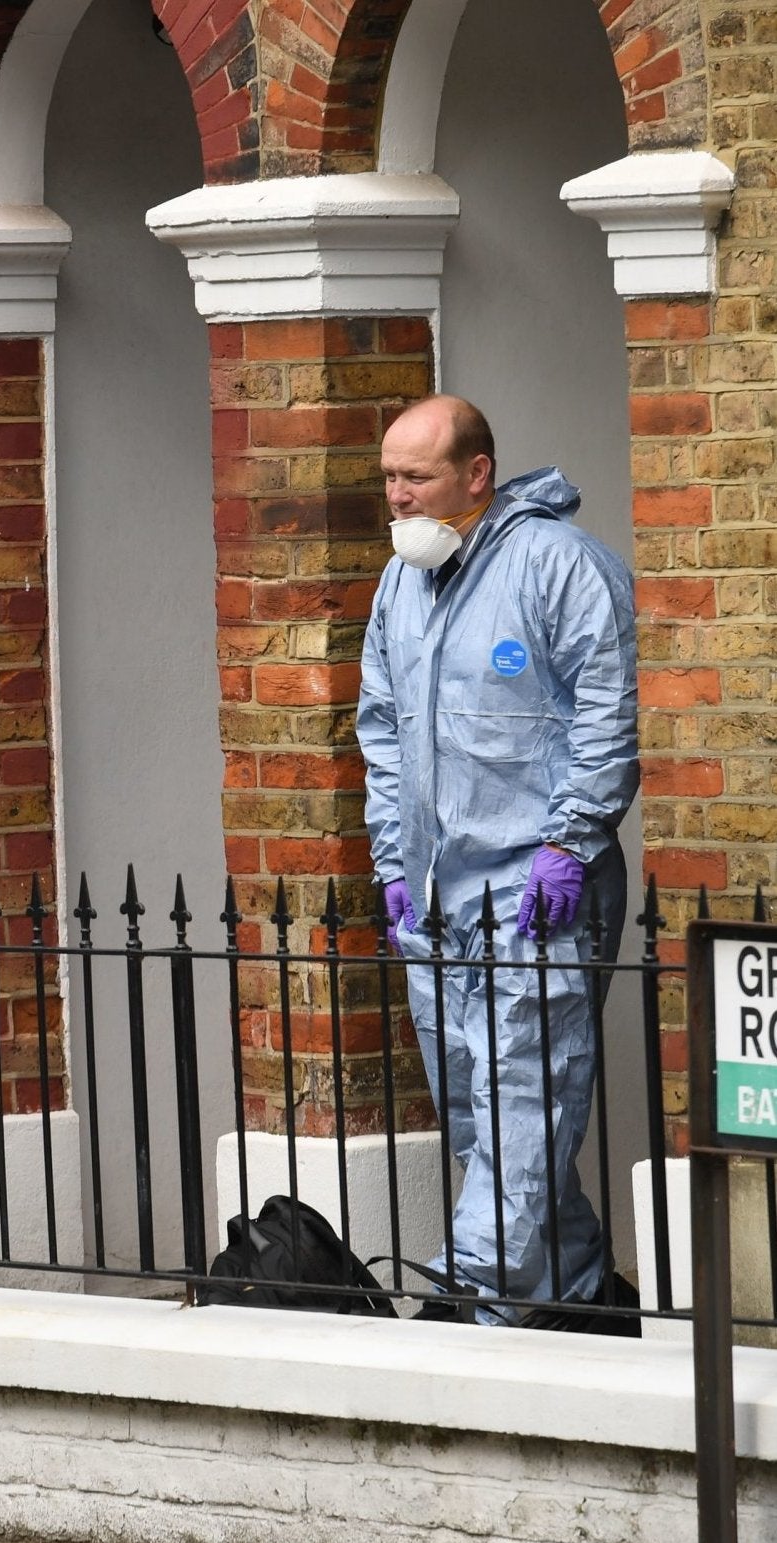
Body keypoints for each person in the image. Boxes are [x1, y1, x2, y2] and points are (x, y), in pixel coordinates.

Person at [356, 395, 640, 1324]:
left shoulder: (559, 567)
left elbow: (607, 716)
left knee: (525, 1090)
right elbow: (384, 734)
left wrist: (570, 840)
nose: (395, 497)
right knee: (474, 1107)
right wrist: (394, 862)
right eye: (388, 478)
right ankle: (580, 1283)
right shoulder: (401, 584)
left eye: (415, 478)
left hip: (533, 888)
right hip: (439, 891)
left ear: (474, 475)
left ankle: (473, 1290)